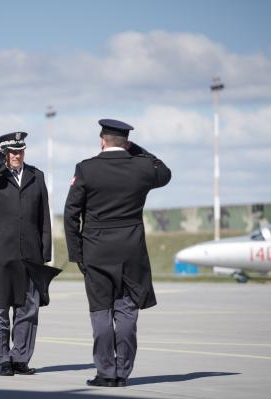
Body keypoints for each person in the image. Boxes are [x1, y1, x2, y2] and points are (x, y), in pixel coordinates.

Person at [63, 119, 171, 387]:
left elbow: (71, 215)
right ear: (127, 142)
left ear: (102, 140)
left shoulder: (86, 170)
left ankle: (105, 372)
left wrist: (77, 254)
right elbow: (165, 172)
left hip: (96, 249)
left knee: (100, 311)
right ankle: (122, 372)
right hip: (131, 249)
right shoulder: (142, 167)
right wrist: (137, 150)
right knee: (126, 310)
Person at [0, 132, 60, 376]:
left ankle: (21, 359)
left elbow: (44, 218)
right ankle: (3, 359)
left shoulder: (36, 176)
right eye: (11, 152)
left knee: (28, 309)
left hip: (30, 255)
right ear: (4, 153)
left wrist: (45, 252)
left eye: (20, 151)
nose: (16, 155)